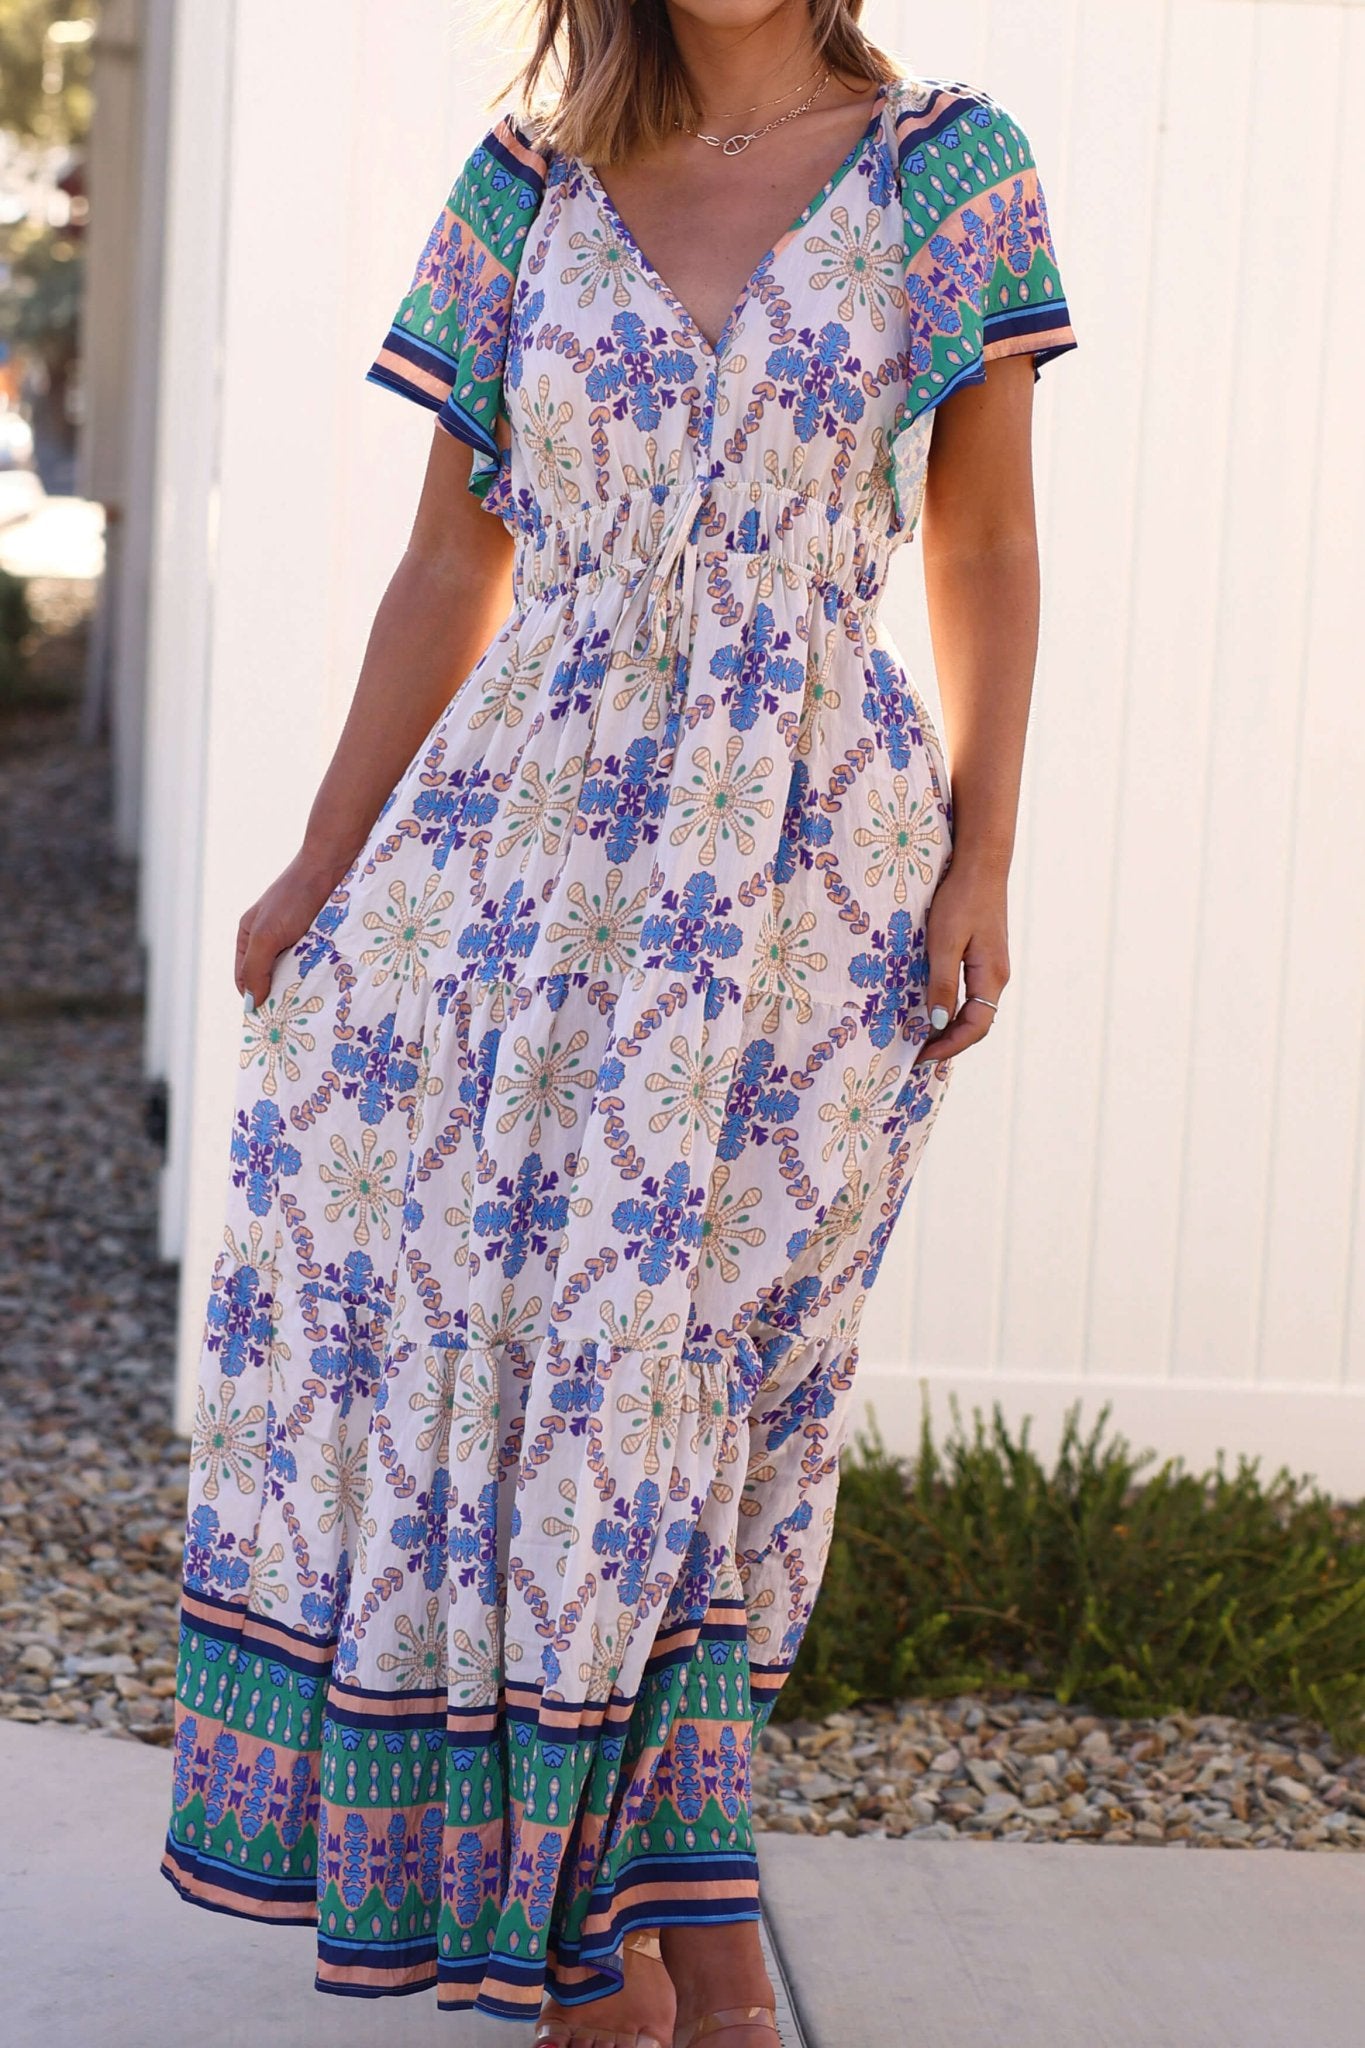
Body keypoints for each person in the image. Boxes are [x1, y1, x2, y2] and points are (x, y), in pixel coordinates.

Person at [158, 2, 1077, 2042]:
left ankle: (661, 1932)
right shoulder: (524, 190)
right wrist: (321, 866)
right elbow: (442, 557)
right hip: (521, 863)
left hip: (807, 863)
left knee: (708, 1380)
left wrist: (982, 852)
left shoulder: (948, 169)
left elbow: (985, 531)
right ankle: (637, 1958)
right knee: (546, 1378)